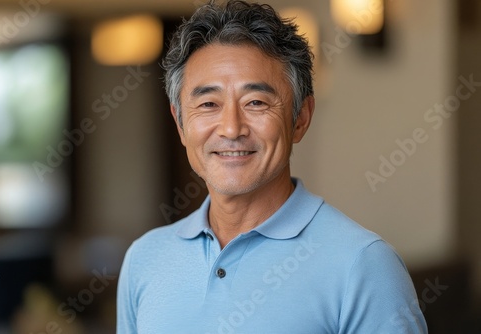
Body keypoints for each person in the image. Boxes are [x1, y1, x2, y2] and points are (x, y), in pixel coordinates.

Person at [117, 1, 428, 333]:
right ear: (180, 123)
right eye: (208, 104)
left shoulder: (363, 264)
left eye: (256, 103)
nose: (231, 128)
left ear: (301, 118)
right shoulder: (145, 259)